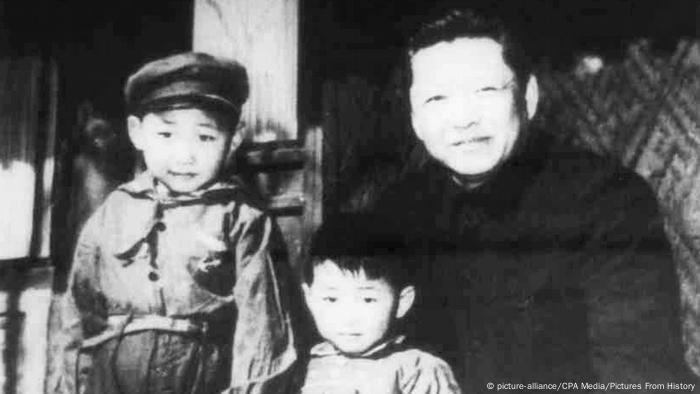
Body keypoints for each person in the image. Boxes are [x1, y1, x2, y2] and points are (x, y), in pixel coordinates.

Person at [369, 8, 692, 392]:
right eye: (437, 98)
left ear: (529, 97)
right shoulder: (396, 211)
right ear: (415, 120)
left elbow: (641, 379)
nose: (462, 118)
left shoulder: (608, 199)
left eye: (485, 91)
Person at [49, 52, 296, 394]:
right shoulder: (112, 213)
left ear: (234, 138)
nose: (184, 155)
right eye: (166, 135)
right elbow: (75, 319)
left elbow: (262, 329)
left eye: (205, 137)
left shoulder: (243, 217)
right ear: (137, 132)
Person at [298, 219, 462, 393]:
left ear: (402, 303)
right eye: (331, 299)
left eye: (367, 300)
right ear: (310, 298)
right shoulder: (305, 365)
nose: (348, 317)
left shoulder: (417, 369)